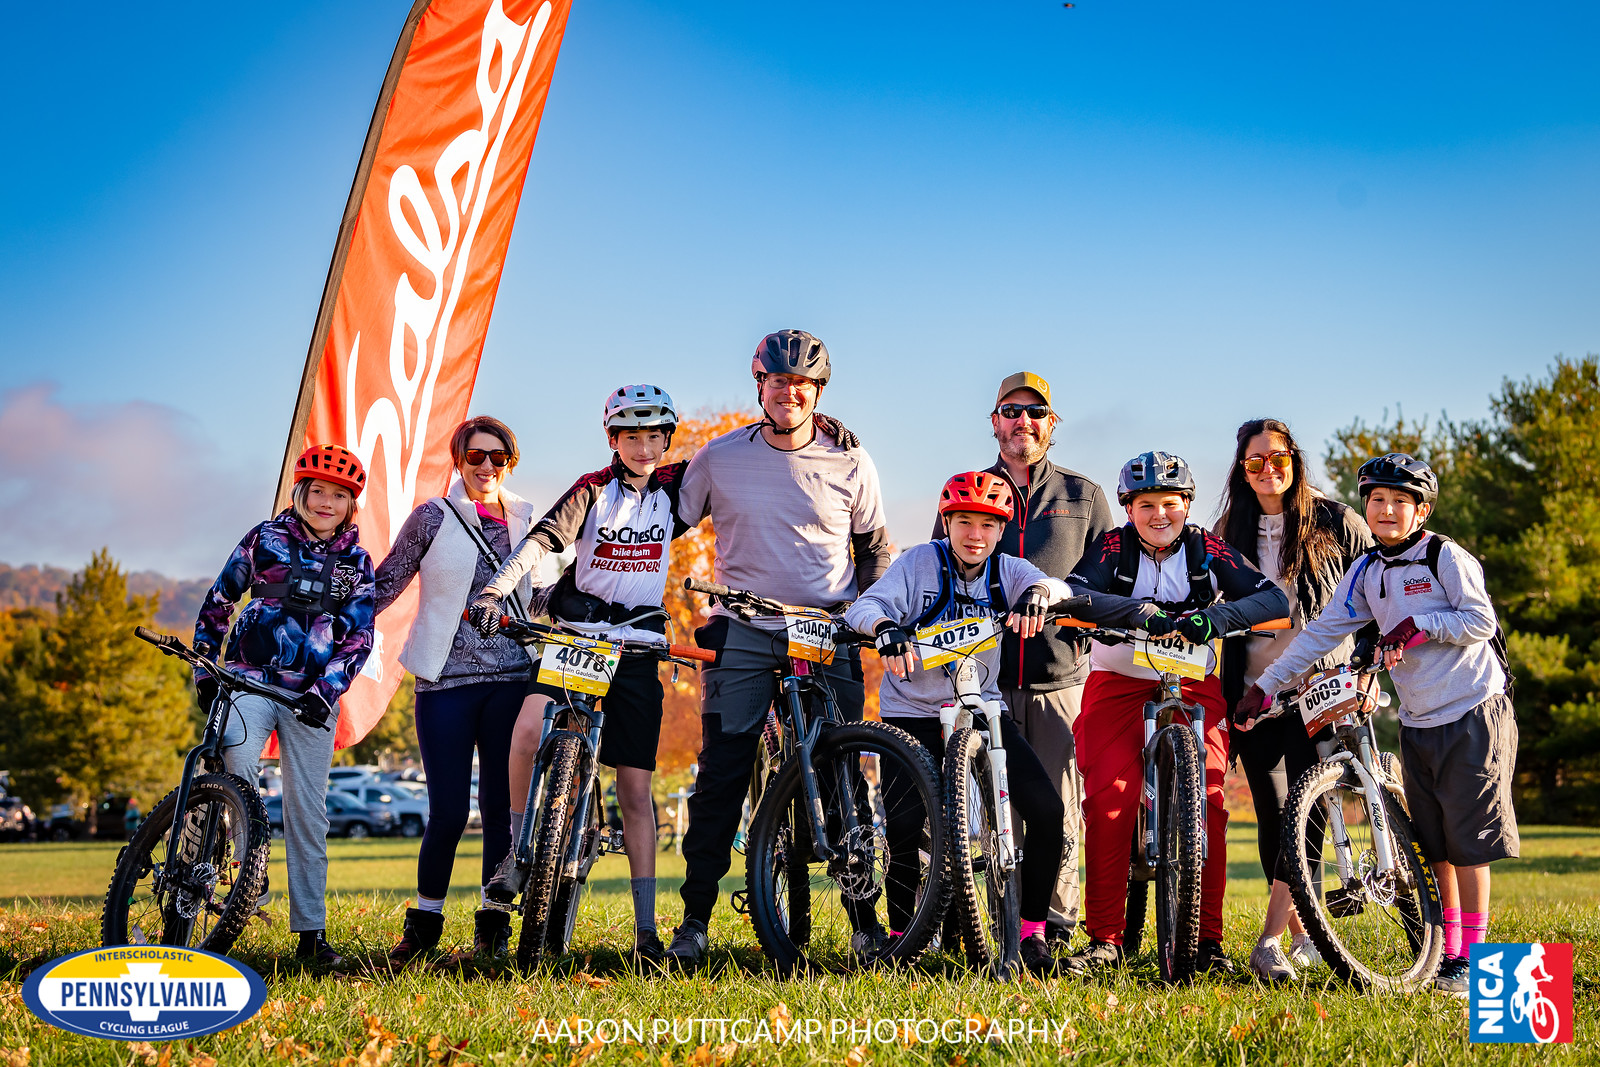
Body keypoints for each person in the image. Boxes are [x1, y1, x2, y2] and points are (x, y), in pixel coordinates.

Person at [1239, 453, 1518, 996]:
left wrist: (1418, 624)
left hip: (1471, 709)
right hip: (1417, 718)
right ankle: (1447, 956)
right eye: (1376, 500)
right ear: (1365, 506)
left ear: (1422, 509)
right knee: (1434, 843)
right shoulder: (1367, 570)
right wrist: (1264, 687)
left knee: (1469, 842)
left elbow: (1481, 619)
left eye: (1400, 501)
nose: (1386, 510)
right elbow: (1321, 632)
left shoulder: (1444, 556)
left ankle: (1475, 960)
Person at [662, 330, 890, 968]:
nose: (790, 392)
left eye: (803, 384)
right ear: (759, 385)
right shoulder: (719, 457)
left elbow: (874, 549)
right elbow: (662, 523)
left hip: (827, 630)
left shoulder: (852, 460)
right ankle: (695, 922)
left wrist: (869, 618)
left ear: (818, 392)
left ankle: (865, 923)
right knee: (723, 772)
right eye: (779, 381)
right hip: (746, 627)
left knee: (844, 770)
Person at [470, 385, 690, 966]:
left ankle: (646, 930)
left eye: (654, 435)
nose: (644, 447)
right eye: (631, 435)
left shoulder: (674, 490)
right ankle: (517, 854)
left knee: (636, 792)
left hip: (639, 647)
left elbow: (743, 461)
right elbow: (542, 540)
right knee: (525, 731)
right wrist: (497, 588)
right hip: (577, 638)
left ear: (667, 439)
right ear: (613, 440)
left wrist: (822, 431)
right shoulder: (592, 489)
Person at [1061, 451, 1290, 975]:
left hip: (1193, 681)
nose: (1159, 515)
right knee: (1110, 801)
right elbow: (1075, 595)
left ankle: (1208, 943)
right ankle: (1105, 940)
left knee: (1210, 801)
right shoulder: (1113, 546)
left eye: (1171, 503)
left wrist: (1215, 617)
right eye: (1146, 505)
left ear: (1187, 505)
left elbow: (1271, 600)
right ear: (1129, 508)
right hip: (1117, 682)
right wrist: (1139, 614)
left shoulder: (1206, 546)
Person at [848, 471, 1074, 974]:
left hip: (982, 711)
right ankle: (904, 936)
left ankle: (1032, 932)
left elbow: (1052, 585)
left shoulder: (1008, 569)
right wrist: (885, 628)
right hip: (913, 712)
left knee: (1047, 810)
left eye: (987, 526)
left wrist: (1039, 597)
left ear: (1001, 530)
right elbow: (867, 605)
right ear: (946, 523)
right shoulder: (918, 563)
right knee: (906, 827)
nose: (975, 535)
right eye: (964, 522)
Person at [932, 371, 1115, 943]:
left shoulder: (1082, 496)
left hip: (1057, 675)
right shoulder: (969, 489)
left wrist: (1068, 606)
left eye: (1035, 413)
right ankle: (986, 924)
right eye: (1011, 411)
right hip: (979, 676)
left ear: (1050, 425)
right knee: (983, 807)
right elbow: (936, 569)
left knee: (1055, 803)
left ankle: (1052, 926)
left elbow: (1103, 575)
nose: (1023, 422)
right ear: (994, 421)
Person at [193, 444, 375, 967]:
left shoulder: (356, 562)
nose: (326, 502)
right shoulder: (264, 538)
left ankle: (311, 936)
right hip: (250, 679)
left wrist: (327, 691)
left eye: (338, 495)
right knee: (234, 757)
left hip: (312, 697)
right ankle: (250, 866)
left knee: (307, 811)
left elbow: (360, 635)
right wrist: (206, 661)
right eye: (317, 491)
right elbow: (221, 598)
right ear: (300, 493)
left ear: (349, 504)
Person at [1212, 418, 1374, 982]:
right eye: (1255, 462)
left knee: (1303, 814)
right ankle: (1304, 935)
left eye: (1278, 457)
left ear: (1295, 460)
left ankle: (1271, 939)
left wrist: (1370, 663)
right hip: (1256, 696)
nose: (1268, 469)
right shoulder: (1227, 530)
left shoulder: (1335, 520)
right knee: (1272, 813)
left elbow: (1381, 581)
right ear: (1241, 470)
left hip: (1319, 689)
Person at [375, 416, 538, 963]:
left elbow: (537, 598)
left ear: (510, 463)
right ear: (458, 459)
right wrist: (326, 607)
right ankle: (422, 926)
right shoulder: (433, 516)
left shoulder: (527, 518)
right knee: (446, 809)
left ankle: (493, 927)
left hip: (512, 678)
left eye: (499, 457)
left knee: (499, 808)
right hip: (444, 681)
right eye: (476, 456)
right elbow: (386, 582)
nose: (487, 466)